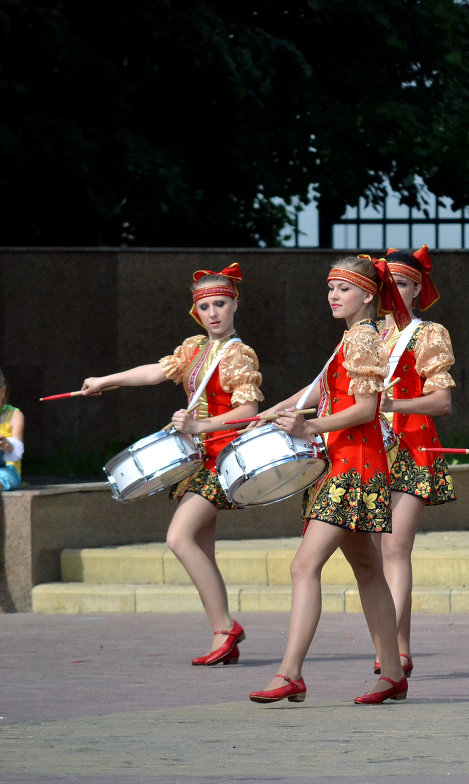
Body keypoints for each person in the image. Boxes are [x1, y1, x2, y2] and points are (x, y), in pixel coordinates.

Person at [80, 264, 263, 665]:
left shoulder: (238, 354)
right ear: (196, 312)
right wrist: (105, 380)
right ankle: (222, 637)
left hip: (222, 458)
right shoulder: (194, 348)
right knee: (201, 548)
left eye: (220, 304)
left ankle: (225, 628)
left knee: (178, 538)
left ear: (235, 305)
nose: (213, 312)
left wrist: (201, 424)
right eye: (205, 306)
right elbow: (156, 372)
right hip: (197, 458)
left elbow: (248, 409)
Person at [249, 255, 410, 705]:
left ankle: (290, 673)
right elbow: (316, 392)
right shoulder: (350, 340)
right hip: (342, 464)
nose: (333, 297)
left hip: (353, 468)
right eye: (330, 289)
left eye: (343, 289)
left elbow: (366, 409)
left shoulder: (362, 340)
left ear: (367, 295)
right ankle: (393, 673)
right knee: (368, 570)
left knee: (305, 565)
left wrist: (307, 428)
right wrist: (268, 414)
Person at [372, 246, 456, 678]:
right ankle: (400, 647)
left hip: (412, 444)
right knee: (374, 553)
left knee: (395, 547)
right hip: (368, 449)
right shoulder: (364, 335)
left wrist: (394, 400)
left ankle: (390, 646)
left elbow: (441, 400)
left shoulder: (429, 334)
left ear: (418, 288)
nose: (393, 292)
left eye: (401, 284)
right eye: (387, 284)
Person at [0, 367, 25, 491]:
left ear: (3, 391)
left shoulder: (15, 415)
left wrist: (7, 445)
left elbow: (17, 452)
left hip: (7, 470)